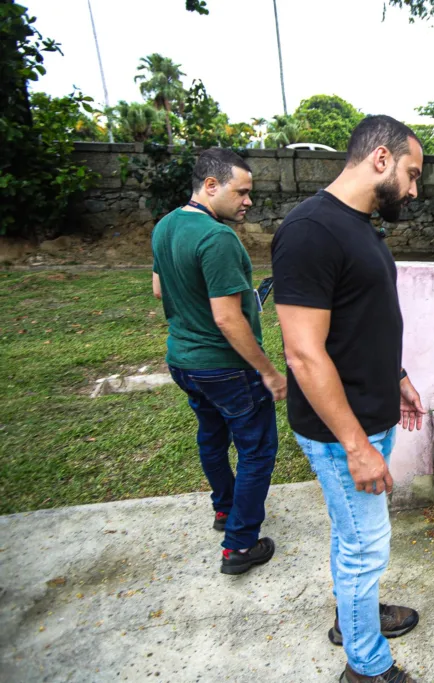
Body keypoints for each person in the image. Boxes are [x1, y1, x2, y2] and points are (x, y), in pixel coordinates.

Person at [271, 115, 427, 683]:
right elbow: (305, 354)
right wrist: (356, 445)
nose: (414, 190)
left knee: (352, 536)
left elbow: (365, 321)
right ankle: (366, 665)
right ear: (380, 159)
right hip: (343, 433)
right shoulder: (311, 230)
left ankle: (352, 616)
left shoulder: (359, 226)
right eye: (411, 175)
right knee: (366, 547)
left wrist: (400, 376)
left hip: (369, 414)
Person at [152, 148, 286, 576]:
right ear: (211, 186)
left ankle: (225, 510)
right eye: (241, 192)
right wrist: (267, 370)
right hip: (226, 367)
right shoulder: (218, 238)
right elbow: (227, 319)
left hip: (183, 361)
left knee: (212, 436)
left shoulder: (166, 226)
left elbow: (159, 289)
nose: (248, 201)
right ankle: (240, 546)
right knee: (258, 449)